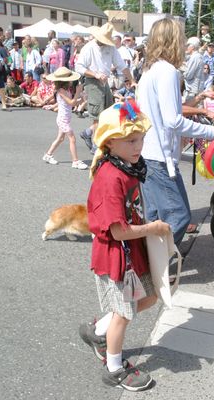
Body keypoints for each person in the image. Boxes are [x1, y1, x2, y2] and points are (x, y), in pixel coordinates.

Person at [79, 100, 170, 392]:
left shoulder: (126, 165)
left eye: (141, 138)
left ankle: (98, 331)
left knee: (150, 297)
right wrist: (153, 228)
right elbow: (118, 232)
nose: (138, 145)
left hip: (132, 251)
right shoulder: (110, 176)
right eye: (131, 140)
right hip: (117, 254)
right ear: (110, 142)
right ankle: (114, 367)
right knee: (125, 313)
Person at [137, 18, 214, 247]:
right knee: (179, 216)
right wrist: (212, 130)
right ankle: (157, 266)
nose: (184, 44)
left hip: (146, 153)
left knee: (155, 216)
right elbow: (173, 121)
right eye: (182, 38)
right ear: (173, 40)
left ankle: (148, 266)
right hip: (159, 156)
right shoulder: (167, 71)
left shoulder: (149, 71)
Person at [75, 22, 134, 151]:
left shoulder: (111, 48)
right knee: (98, 115)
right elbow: (79, 67)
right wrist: (95, 74)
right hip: (92, 82)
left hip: (105, 82)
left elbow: (122, 66)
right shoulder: (89, 47)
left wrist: (132, 80)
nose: (104, 42)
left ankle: (88, 133)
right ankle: (96, 146)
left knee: (107, 114)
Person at [42, 67, 88, 170]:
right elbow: (71, 102)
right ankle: (75, 161)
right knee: (72, 138)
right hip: (62, 119)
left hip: (65, 118)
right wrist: (77, 92)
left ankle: (48, 155)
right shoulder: (61, 90)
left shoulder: (66, 90)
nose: (72, 81)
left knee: (60, 138)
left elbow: (72, 103)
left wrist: (82, 100)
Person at [183, 36, 204, 101]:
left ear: (192, 47)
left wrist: (181, 68)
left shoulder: (195, 57)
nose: (186, 47)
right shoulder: (196, 56)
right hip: (193, 91)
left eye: (188, 45)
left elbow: (188, 75)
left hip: (193, 93)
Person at [0, 38, 8, 110]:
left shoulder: (1, 49)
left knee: (1, 87)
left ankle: (4, 104)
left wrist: (1, 65)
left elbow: (6, 59)